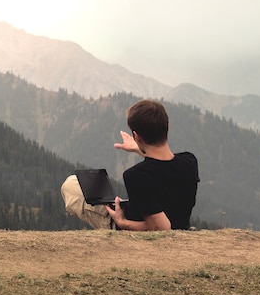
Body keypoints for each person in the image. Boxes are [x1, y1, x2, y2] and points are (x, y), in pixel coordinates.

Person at [61, 99, 199, 231]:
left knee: (70, 185)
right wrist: (138, 148)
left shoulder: (136, 175)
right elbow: (164, 165)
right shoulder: (189, 161)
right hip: (180, 223)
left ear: (136, 136)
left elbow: (162, 228)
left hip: (133, 226)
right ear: (166, 127)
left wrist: (122, 222)